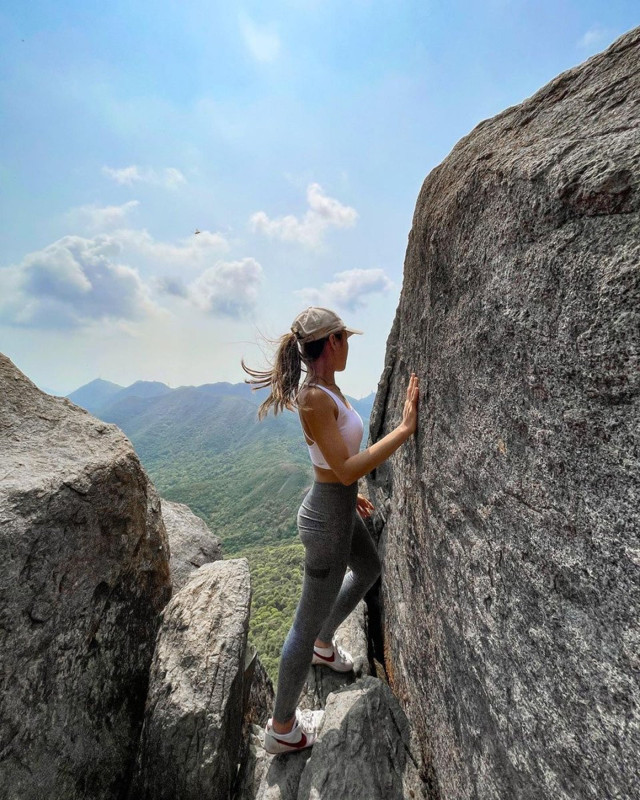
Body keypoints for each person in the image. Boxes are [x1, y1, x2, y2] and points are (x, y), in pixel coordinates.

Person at [242, 306, 419, 755]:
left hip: (337, 509)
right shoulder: (313, 398)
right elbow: (343, 469)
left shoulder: (328, 389)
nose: (349, 346)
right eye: (346, 338)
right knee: (303, 626)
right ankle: (282, 727)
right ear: (333, 341)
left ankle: (325, 644)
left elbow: (332, 460)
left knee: (368, 567)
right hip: (326, 524)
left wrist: (349, 492)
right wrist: (404, 429)